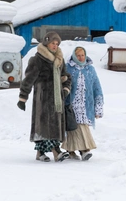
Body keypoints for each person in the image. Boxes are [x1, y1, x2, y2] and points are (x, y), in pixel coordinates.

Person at [17, 31, 72, 162]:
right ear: (46, 43)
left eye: (57, 43)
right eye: (53, 43)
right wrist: (23, 98)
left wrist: (65, 89)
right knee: (46, 125)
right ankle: (56, 152)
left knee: (53, 125)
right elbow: (28, 79)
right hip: (43, 98)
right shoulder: (37, 60)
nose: (55, 45)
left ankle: (40, 152)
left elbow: (66, 77)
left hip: (57, 98)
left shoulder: (59, 59)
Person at [62, 46, 104, 161]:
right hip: (70, 104)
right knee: (73, 126)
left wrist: (98, 107)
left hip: (86, 105)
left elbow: (97, 87)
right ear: (74, 56)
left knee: (81, 125)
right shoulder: (68, 68)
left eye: (82, 55)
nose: (81, 58)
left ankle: (74, 150)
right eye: (78, 55)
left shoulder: (90, 69)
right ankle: (84, 150)